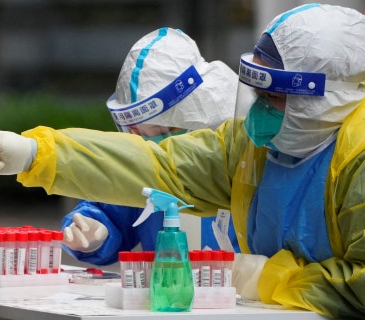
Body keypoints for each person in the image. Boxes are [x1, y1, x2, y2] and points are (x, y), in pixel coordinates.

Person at [0, 4, 365, 319]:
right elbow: (161, 167)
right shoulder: (255, 145)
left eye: (274, 95)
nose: (259, 109)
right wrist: (39, 154)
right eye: (257, 93)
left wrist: (276, 279)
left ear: (331, 97)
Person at [61, 27, 240, 266]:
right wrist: (93, 231)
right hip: (165, 295)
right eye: (139, 131)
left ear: (199, 111)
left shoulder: (242, 156)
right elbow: (112, 207)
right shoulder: (144, 162)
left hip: (246, 297)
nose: (153, 142)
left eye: (162, 129)